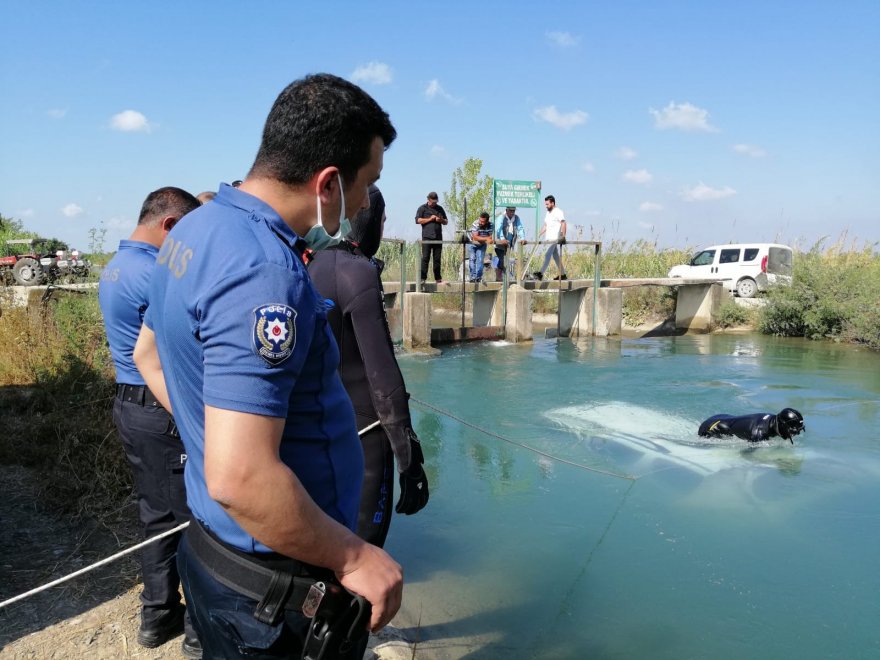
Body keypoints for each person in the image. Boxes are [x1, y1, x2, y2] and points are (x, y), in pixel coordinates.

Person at [133, 73, 402, 659]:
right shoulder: (265, 272)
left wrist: (213, 437)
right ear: (328, 183)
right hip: (273, 594)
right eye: (367, 184)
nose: (363, 205)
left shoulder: (197, 228)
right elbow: (240, 477)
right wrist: (356, 557)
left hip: (215, 553)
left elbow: (147, 354)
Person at [97, 187, 202, 658]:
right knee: (193, 520)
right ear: (170, 226)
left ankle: (157, 617)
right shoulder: (157, 274)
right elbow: (178, 347)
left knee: (155, 515)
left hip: (127, 404)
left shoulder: (116, 267)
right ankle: (200, 629)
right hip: (162, 407)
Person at [308, 185, 429, 548]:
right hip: (365, 433)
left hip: (314, 428)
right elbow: (383, 376)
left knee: (325, 543)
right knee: (364, 549)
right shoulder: (357, 272)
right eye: (383, 217)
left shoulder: (307, 264)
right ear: (369, 217)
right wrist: (409, 457)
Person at [698, 408, 805, 443]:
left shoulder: (775, 420)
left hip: (724, 417)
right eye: (793, 430)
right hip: (712, 427)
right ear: (782, 425)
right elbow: (746, 455)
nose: (796, 433)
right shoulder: (759, 433)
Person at [531, 194, 567, 281]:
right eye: (545, 204)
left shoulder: (558, 211)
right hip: (548, 238)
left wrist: (563, 236)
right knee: (555, 256)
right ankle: (563, 274)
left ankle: (540, 273)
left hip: (554, 238)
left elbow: (563, 223)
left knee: (547, 255)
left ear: (552, 203)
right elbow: (546, 225)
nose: (546, 206)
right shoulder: (548, 213)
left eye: (547, 204)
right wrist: (539, 234)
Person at [415, 191, 448, 283]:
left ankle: (438, 278)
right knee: (425, 258)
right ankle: (422, 278)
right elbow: (418, 220)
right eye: (433, 202)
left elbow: (446, 222)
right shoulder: (422, 208)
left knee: (437, 259)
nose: (434, 203)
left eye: (436, 202)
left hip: (438, 237)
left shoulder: (440, 209)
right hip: (427, 237)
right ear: (428, 200)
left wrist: (440, 220)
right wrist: (431, 218)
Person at [494, 206, 525, 281]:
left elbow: (520, 228)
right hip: (500, 244)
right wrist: (502, 239)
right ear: (506, 210)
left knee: (504, 260)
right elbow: (498, 229)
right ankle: (502, 279)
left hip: (509, 244)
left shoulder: (516, 218)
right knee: (503, 260)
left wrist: (522, 238)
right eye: (510, 211)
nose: (512, 212)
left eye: (513, 211)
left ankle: (499, 278)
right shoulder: (501, 217)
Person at [467, 212, 494, 283]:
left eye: (483, 222)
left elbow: (490, 237)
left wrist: (486, 239)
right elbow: (475, 237)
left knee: (480, 260)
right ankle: (472, 277)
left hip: (482, 245)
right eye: (480, 220)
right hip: (472, 244)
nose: (481, 223)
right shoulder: (475, 223)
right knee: (472, 259)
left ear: (487, 221)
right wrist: (486, 238)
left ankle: (478, 277)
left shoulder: (491, 225)